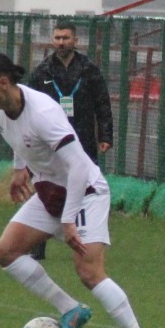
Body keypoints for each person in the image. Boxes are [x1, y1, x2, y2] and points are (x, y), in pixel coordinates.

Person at [0, 51, 159, 328]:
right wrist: (20, 170)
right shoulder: (0, 109)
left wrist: (69, 220)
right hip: (50, 192)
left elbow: (79, 168)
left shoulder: (43, 111)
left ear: (2, 83)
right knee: (6, 252)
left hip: (85, 192)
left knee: (89, 271)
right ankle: (71, 309)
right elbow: (20, 142)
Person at [24, 20, 115, 260]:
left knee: (85, 186)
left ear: (76, 41)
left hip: (82, 137)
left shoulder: (89, 70)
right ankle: (38, 244)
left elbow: (102, 104)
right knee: (46, 188)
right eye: (57, 38)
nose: (61, 42)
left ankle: (86, 236)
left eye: (65, 38)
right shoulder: (42, 71)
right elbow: (29, 107)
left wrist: (105, 135)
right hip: (50, 140)